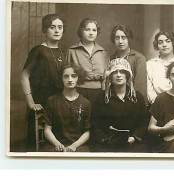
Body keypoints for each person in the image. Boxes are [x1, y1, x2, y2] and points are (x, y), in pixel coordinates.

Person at [21, 14, 66, 151]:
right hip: (41, 102)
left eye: (60, 27)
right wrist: (30, 102)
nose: (57, 31)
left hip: (58, 103)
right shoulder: (38, 50)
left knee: (58, 143)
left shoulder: (62, 52)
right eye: (52, 27)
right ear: (44, 30)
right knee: (39, 144)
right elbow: (24, 76)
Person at [91, 58, 149, 152]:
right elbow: (95, 124)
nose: (118, 75)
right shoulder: (101, 97)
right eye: (115, 72)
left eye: (122, 71)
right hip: (107, 144)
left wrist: (134, 138)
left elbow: (144, 122)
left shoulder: (137, 97)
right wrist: (106, 139)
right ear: (110, 76)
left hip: (133, 143)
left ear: (127, 75)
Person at [43, 64, 91, 152]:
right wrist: (57, 144)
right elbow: (47, 129)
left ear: (78, 78)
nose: (70, 80)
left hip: (78, 146)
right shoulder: (52, 100)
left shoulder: (85, 103)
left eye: (73, 76)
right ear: (61, 79)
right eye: (66, 76)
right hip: (54, 145)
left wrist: (74, 146)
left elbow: (87, 132)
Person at [67, 18, 109, 105]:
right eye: (87, 29)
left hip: (99, 92)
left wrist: (105, 93)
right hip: (78, 91)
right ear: (81, 31)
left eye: (94, 30)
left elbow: (106, 76)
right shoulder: (72, 51)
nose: (91, 33)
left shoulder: (103, 52)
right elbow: (66, 74)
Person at [110, 25, 148, 104]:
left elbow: (140, 87)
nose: (120, 41)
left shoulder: (139, 58)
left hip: (133, 102)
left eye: (124, 38)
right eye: (117, 38)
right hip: (114, 101)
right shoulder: (111, 58)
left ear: (129, 39)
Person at [147, 31, 174, 104]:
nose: (164, 45)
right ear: (157, 45)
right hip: (158, 106)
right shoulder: (150, 65)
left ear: (173, 43)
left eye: (168, 41)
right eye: (160, 42)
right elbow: (150, 91)